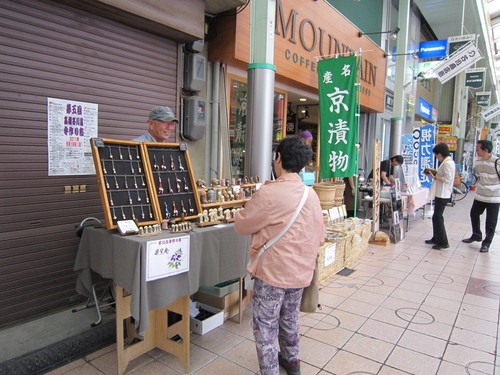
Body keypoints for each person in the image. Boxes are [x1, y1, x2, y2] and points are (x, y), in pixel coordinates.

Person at [234, 135, 325, 375]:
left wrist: (236, 214)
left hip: (273, 272)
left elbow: (243, 225)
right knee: (290, 318)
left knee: (265, 325)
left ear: (278, 159)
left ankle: (270, 370)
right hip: (301, 272)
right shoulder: (311, 195)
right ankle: (292, 361)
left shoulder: (269, 194)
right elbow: (320, 234)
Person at [462, 140, 500, 253]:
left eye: (478, 149)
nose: (476, 151)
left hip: (494, 197)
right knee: (474, 214)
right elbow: (478, 176)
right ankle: (476, 235)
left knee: (491, 222)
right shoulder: (477, 162)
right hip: (480, 195)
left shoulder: (497, 162)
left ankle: (486, 243)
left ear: (486, 150)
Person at [423, 143, 455, 250]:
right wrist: (434, 174)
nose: (437, 157)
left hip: (443, 194)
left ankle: (443, 242)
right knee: (435, 217)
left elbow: (448, 179)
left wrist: (434, 177)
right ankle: (436, 238)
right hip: (440, 193)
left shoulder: (448, 164)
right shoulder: (446, 162)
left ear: (440, 154)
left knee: (438, 217)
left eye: (437, 155)